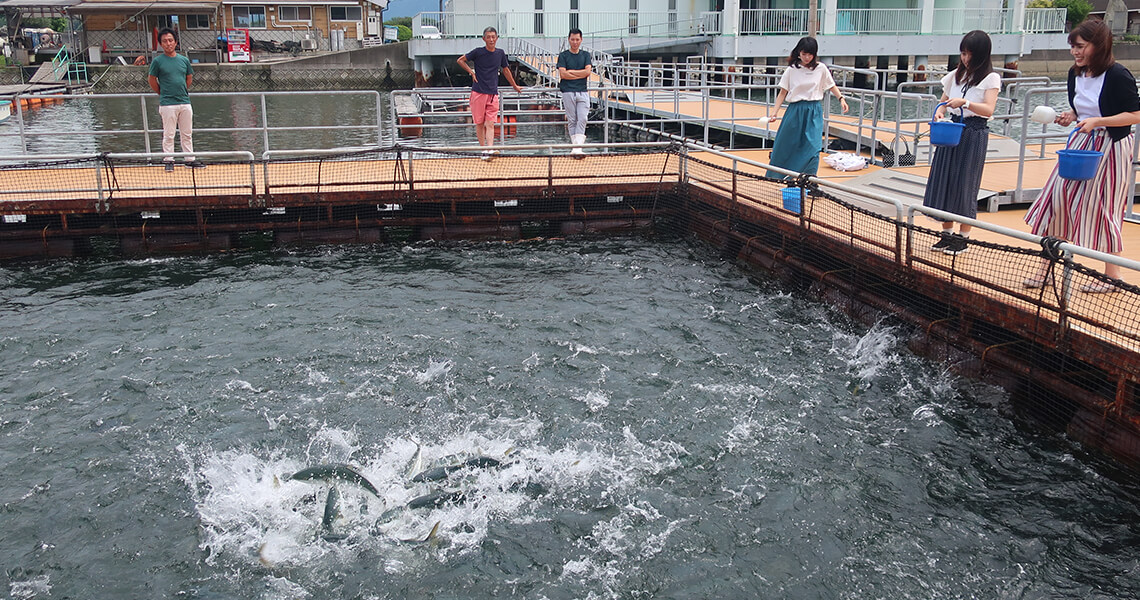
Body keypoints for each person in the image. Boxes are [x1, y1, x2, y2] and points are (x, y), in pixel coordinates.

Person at [1024, 18, 1140, 292]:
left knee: (1103, 207)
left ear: (1098, 46)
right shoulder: (1075, 74)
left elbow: (1135, 114)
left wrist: (1098, 122)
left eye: (1080, 46)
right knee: (1057, 201)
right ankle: (1047, 268)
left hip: (1110, 147)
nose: (1075, 52)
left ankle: (1113, 276)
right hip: (1080, 142)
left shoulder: (1117, 75)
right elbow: (1083, 108)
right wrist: (1071, 116)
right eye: (1073, 47)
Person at [922, 30, 1001, 257]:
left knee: (966, 182)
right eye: (963, 54)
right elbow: (944, 101)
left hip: (974, 131)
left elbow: (989, 109)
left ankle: (963, 238)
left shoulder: (990, 78)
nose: (966, 59)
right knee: (944, 177)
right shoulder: (956, 75)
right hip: (951, 129)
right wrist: (941, 111)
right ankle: (946, 233)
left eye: (970, 54)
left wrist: (966, 103)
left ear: (981, 55)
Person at [765, 37, 848, 180]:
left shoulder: (821, 68)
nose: (807, 57)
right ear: (798, 53)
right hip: (795, 110)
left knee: (814, 146)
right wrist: (774, 113)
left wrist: (841, 98)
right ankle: (787, 177)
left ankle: (810, 179)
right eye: (804, 54)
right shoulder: (791, 70)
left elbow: (831, 85)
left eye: (810, 54)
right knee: (788, 144)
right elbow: (783, 92)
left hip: (814, 109)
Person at [457, 27, 523, 160]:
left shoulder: (500, 54)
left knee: (490, 123)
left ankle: (490, 149)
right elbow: (460, 60)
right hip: (478, 92)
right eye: (488, 37)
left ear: (497, 38)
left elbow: (506, 70)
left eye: (493, 37)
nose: (491, 39)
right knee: (479, 123)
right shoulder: (478, 52)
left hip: (493, 93)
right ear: (484, 38)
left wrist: (514, 85)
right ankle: (483, 150)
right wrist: (471, 72)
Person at [148, 28, 204, 170]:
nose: (168, 43)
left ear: (176, 42)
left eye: (170, 40)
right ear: (161, 44)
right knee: (169, 134)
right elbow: (152, 80)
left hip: (184, 102)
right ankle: (169, 160)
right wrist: (162, 92)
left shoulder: (184, 60)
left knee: (187, 133)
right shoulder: (157, 62)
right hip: (167, 104)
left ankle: (190, 159)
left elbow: (189, 77)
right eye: (165, 41)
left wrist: (182, 90)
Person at [557, 28, 592, 158]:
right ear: (569, 39)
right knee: (572, 120)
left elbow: (587, 72)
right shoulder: (563, 55)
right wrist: (580, 73)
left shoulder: (586, 55)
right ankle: (576, 148)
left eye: (577, 39)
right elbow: (563, 74)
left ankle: (577, 148)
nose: (575, 42)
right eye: (572, 39)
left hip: (582, 91)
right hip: (568, 91)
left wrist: (571, 72)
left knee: (583, 118)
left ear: (581, 40)